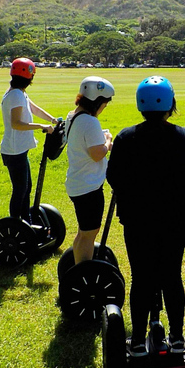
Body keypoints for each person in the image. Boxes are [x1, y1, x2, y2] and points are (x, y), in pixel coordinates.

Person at [106, 76, 185, 357]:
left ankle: (136, 341)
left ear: (140, 104)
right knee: (172, 276)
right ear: (170, 103)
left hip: (137, 221)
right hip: (174, 220)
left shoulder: (125, 138)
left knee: (142, 277)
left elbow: (113, 177)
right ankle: (177, 339)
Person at [0, 57, 58, 224]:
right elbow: (16, 124)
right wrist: (42, 126)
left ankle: (26, 221)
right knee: (20, 189)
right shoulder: (16, 95)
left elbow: (33, 107)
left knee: (26, 187)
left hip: (18, 149)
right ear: (29, 77)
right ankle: (16, 223)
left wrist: (52, 120)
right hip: (14, 150)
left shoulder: (18, 92)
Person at [64, 76, 115, 265]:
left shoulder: (73, 115)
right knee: (88, 234)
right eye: (104, 104)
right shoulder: (90, 122)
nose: (104, 108)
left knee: (83, 232)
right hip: (89, 187)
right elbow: (97, 154)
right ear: (97, 101)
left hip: (77, 182)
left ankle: (79, 267)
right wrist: (108, 140)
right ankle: (83, 273)